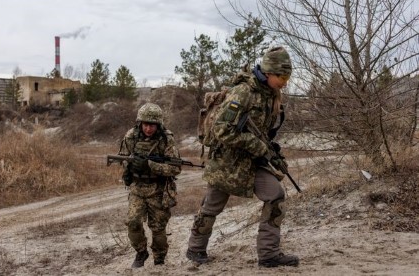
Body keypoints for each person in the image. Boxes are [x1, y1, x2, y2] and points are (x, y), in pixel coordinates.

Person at [186, 46, 300, 268]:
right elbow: (222, 130)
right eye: (282, 76)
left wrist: (271, 151)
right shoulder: (243, 93)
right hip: (227, 163)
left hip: (252, 162)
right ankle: (195, 248)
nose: (285, 81)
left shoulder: (271, 95)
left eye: (288, 76)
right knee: (211, 207)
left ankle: (268, 255)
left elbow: (263, 133)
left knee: (275, 195)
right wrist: (256, 145)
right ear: (268, 73)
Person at [118, 102, 181, 268]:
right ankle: (141, 252)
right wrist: (131, 165)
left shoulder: (166, 139)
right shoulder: (131, 136)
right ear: (140, 123)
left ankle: (159, 260)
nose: (148, 129)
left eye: (152, 125)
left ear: (158, 125)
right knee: (133, 223)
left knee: (158, 229)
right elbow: (122, 159)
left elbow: (175, 168)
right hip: (137, 188)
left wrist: (151, 166)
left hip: (158, 190)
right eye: (146, 124)